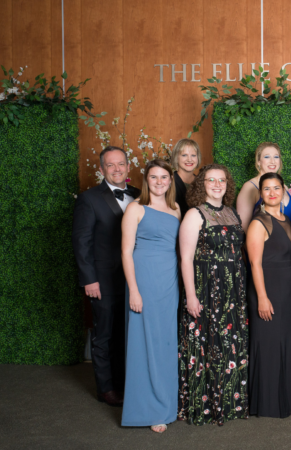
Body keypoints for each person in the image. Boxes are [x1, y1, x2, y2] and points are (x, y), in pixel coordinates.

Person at [178, 164, 249, 425]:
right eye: (211, 180)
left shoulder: (231, 213)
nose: (217, 185)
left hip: (233, 291)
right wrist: (191, 296)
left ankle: (230, 403)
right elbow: (185, 259)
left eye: (222, 180)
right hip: (207, 290)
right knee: (208, 345)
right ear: (202, 185)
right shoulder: (194, 215)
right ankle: (205, 406)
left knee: (229, 343)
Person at [72, 145, 140, 407]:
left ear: (128, 167)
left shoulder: (137, 195)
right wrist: (89, 279)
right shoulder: (88, 199)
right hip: (103, 280)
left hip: (132, 279)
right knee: (104, 335)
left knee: (126, 333)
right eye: (110, 165)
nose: (116, 169)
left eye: (120, 163)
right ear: (101, 169)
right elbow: (81, 242)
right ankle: (106, 388)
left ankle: (125, 383)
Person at [120, 160, 181, 432]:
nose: (159, 181)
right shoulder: (135, 208)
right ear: (146, 180)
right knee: (144, 343)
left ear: (170, 181)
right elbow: (125, 252)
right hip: (144, 280)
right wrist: (133, 289)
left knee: (166, 342)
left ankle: (166, 403)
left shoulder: (177, 209)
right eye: (154, 177)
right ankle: (148, 409)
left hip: (169, 281)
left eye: (164, 177)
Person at [246, 172, 291, 418]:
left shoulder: (288, 220)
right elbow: (255, 264)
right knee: (268, 344)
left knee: (285, 343)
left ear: (283, 190)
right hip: (268, 289)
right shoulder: (259, 222)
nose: (272, 193)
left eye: (276, 188)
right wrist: (262, 297)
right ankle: (266, 403)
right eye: (266, 189)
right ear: (260, 194)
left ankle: (283, 398)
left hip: (288, 291)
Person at [237, 142, 291, 228]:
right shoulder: (250, 187)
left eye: (276, 157)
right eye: (267, 157)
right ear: (258, 162)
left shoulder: (284, 187)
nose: (272, 161)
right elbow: (244, 227)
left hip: (290, 240)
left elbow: (289, 220)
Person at [171, 138, 202, 216]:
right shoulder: (169, 182)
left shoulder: (202, 182)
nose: (189, 159)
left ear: (198, 158)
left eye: (193, 155)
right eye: (184, 155)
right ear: (176, 158)